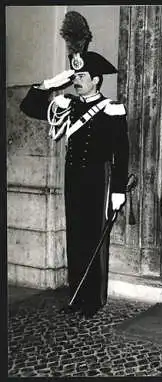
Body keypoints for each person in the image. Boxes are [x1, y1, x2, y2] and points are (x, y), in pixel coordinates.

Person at [19, 12, 129, 318]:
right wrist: (51, 84)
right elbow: (27, 106)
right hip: (73, 177)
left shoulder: (112, 109)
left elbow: (122, 151)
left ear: (96, 79)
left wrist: (118, 190)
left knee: (93, 237)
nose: (76, 82)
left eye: (80, 77)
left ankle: (93, 299)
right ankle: (76, 295)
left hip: (99, 178)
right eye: (74, 77)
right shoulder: (67, 105)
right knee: (75, 236)